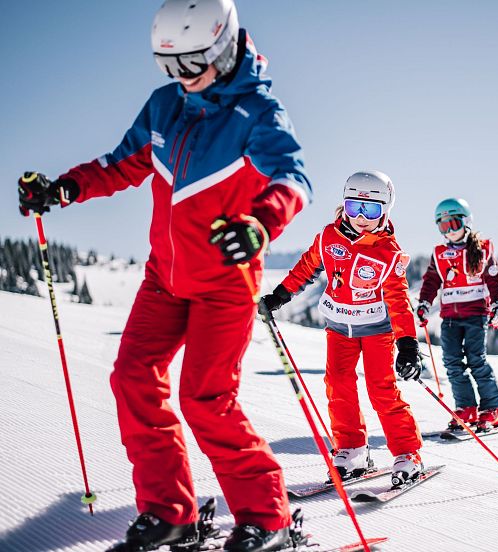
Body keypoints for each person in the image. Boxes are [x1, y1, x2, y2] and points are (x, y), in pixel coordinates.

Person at [17, 1, 312, 551]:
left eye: (193, 62)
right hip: (164, 278)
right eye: (168, 64)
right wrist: (63, 187)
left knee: (206, 397)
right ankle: (169, 510)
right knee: (132, 377)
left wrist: (259, 224)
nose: (181, 77)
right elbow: (121, 165)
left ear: (224, 46)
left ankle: (266, 517)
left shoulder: (256, 111)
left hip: (225, 281)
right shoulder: (164, 106)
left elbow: (294, 178)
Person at [261, 171, 424, 486]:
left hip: (377, 331)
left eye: (371, 210)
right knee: (338, 385)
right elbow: (306, 267)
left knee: (381, 390)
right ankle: (352, 450)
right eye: (353, 208)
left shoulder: (388, 251)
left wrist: (407, 344)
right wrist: (280, 296)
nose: (361, 218)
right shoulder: (328, 237)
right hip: (339, 328)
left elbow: (399, 301)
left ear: (386, 210)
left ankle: (408, 453)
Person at [415, 198, 498, 432]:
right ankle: (466, 408)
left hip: (475, 315)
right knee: (453, 363)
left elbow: (495, 280)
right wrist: (424, 303)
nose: (449, 231)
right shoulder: (439, 254)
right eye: (443, 226)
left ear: (466, 222)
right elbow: (431, 281)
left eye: (453, 224)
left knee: (476, 360)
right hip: (450, 318)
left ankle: (492, 409)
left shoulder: (482, 249)